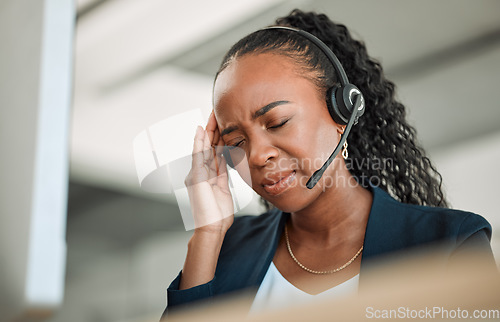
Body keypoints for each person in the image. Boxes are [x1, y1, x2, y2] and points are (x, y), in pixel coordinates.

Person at [161, 9, 495, 318]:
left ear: (342, 114)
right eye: (236, 142)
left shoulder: (450, 242)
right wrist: (207, 231)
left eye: (277, 122)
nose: (258, 156)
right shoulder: (224, 249)